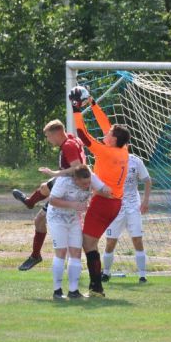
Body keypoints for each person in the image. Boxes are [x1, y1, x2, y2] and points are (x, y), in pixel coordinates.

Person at [69, 89, 130, 297]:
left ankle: (96, 287)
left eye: (109, 134)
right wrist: (93, 104)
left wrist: (76, 109)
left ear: (113, 140)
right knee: (91, 243)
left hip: (104, 202)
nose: (106, 133)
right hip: (114, 202)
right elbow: (106, 125)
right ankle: (96, 286)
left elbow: (82, 135)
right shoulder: (123, 148)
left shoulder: (106, 151)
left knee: (88, 243)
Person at [12, 119, 85, 271]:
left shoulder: (69, 145)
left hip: (67, 193)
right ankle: (30, 202)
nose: (48, 140)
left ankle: (38, 256)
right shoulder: (71, 139)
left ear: (58, 134)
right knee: (45, 188)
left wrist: (55, 173)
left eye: (49, 136)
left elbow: (77, 168)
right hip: (66, 186)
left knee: (41, 220)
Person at [47, 164, 111, 300]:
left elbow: (103, 188)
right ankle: (57, 291)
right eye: (84, 183)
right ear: (75, 180)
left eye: (89, 182)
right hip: (57, 218)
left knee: (76, 252)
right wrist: (73, 205)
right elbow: (52, 200)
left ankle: (73, 291)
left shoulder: (91, 178)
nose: (87, 185)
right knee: (61, 252)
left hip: (74, 218)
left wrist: (108, 190)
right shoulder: (64, 181)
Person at [101, 153, 152, 283]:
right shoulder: (108, 159)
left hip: (133, 206)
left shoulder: (135, 160)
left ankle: (142, 275)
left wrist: (145, 201)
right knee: (110, 242)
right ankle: (106, 272)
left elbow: (147, 180)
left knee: (137, 240)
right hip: (115, 206)